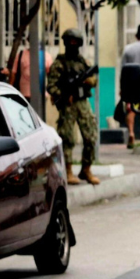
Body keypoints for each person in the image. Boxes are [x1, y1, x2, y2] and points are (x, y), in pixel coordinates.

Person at [46, 28, 100, 186]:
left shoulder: (83, 62)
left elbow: (93, 80)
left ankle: (86, 169)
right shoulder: (59, 63)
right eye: (70, 41)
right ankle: (68, 171)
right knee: (67, 138)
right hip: (68, 104)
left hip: (83, 103)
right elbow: (51, 86)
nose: (73, 44)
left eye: (75, 42)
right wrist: (63, 96)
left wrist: (89, 81)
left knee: (91, 136)